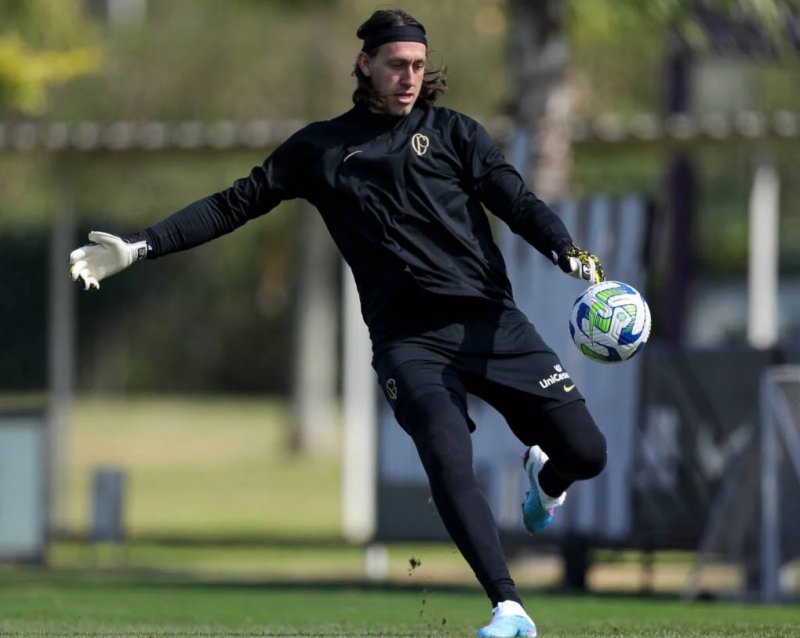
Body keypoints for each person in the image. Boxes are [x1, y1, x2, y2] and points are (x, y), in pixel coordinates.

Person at [69, 9, 607, 638]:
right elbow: (233, 204)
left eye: (417, 66)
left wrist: (567, 249)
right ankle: (508, 607)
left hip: (492, 324)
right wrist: (140, 246)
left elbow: (516, 200)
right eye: (396, 66)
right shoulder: (320, 150)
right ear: (364, 65)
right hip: (410, 342)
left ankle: (546, 479)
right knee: (445, 451)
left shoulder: (458, 133)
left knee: (587, 453)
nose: (409, 78)